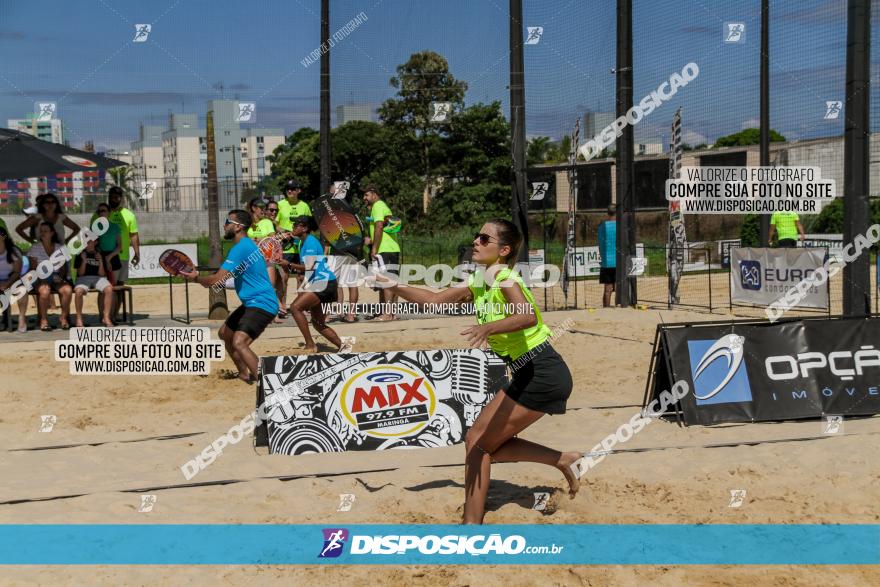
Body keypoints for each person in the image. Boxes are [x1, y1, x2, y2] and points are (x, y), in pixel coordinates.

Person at [371, 218, 580, 524]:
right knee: (478, 442)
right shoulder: (480, 279)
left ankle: (471, 525)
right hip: (526, 372)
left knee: (480, 445)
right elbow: (433, 301)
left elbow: (528, 317)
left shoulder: (503, 276)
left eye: (484, 239)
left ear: (504, 250)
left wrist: (489, 326)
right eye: (476, 237)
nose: (476, 242)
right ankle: (564, 460)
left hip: (543, 373)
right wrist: (392, 284)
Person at [180, 210, 278, 384]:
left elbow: (216, 279)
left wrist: (196, 278)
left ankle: (267, 384)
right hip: (253, 302)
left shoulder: (240, 248)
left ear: (238, 227)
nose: (224, 226)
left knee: (239, 342)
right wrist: (202, 280)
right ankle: (243, 374)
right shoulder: (247, 246)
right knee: (225, 333)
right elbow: (224, 281)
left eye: (227, 222)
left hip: (262, 303)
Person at [282, 215, 351, 354]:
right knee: (318, 323)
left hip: (324, 282)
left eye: (296, 225)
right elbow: (305, 269)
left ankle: (310, 344)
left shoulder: (311, 242)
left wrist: (288, 264)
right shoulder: (303, 242)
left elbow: (309, 267)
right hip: (323, 282)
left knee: (295, 308)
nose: (293, 227)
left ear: (305, 228)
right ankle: (344, 347)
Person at [363, 186, 400, 321]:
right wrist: (371, 240)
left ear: (375, 195)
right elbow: (382, 228)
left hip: (385, 249)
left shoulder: (378, 206)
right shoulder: (380, 206)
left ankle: (388, 314)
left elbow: (379, 226)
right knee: (387, 281)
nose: (364, 198)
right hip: (389, 248)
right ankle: (388, 312)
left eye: (366, 195)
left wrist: (374, 248)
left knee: (386, 281)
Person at [28, 222, 73, 331]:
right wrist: (42, 278)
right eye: (41, 231)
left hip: (56, 276)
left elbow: (63, 268)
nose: (42, 233)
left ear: (52, 233)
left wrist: (60, 278)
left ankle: (63, 318)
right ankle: (43, 320)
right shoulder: (35, 248)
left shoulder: (59, 248)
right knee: (44, 291)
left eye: (45, 231)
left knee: (67, 290)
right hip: (39, 276)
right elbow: (33, 269)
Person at [247, 197, 284, 321]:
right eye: (261, 208)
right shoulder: (247, 223)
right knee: (255, 287)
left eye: (264, 208)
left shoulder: (267, 222)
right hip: (252, 259)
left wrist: (259, 241)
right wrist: (252, 241)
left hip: (267, 258)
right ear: (253, 208)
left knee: (270, 286)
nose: (264, 210)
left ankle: (274, 313)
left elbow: (272, 240)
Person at [276, 180, 312, 306]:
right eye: (287, 189)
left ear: (298, 191)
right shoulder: (280, 204)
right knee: (284, 277)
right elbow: (274, 223)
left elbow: (309, 225)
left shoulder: (304, 206)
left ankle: (300, 305)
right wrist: (284, 232)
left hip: (301, 245)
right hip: (286, 245)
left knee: (301, 276)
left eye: (292, 188)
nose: (289, 191)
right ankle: (282, 306)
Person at [73, 239, 114, 328]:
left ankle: (106, 317)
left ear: (95, 242)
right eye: (85, 241)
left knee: (109, 289)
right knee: (78, 291)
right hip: (83, 278)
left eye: (90, 241)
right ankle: (79, 318)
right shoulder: (80, 253)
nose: (87, 243)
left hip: (98, 277)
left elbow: (102, 274)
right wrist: (84, 261)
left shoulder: (99, 253)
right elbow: (80, 274)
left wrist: (100, 262)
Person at [15, 193, 80, 245]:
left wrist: (67, 240)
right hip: (41, 253)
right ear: (43, 205)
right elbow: (19, 229)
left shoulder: (61, 217)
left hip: (60, 252)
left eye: (52, 202)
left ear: (56, 204)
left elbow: (76, 228)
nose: (50, 204)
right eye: (47, 202)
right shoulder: (37, 217)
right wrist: (31, 241)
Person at [0, 225, 28, 332]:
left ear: (3, 237)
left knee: (23, 290)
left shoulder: (13, 251)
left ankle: (22, 319)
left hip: (12, 280)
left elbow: (17, 272)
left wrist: (7, 283)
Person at [95, 204, 122, 285]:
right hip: (100, 258)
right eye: (99, 211)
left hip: (113, 257)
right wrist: (103, 258)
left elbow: (120, 246)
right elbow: (94, 245)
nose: (101, 213)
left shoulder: (115, 227)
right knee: (102, 288)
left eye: (103, 210)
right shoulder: (95, 227)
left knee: (114, 286)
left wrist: (108, 258)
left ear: (109, 213)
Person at [597, 205, 617, 307]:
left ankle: (606, 308)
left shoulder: (601, 225)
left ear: (607, 212)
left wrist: (602, 256)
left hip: (606, 261)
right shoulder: (620, 225)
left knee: (607, 288)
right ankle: (619, 306)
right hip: (619, 260)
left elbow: (599, 244)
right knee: (619, 287)